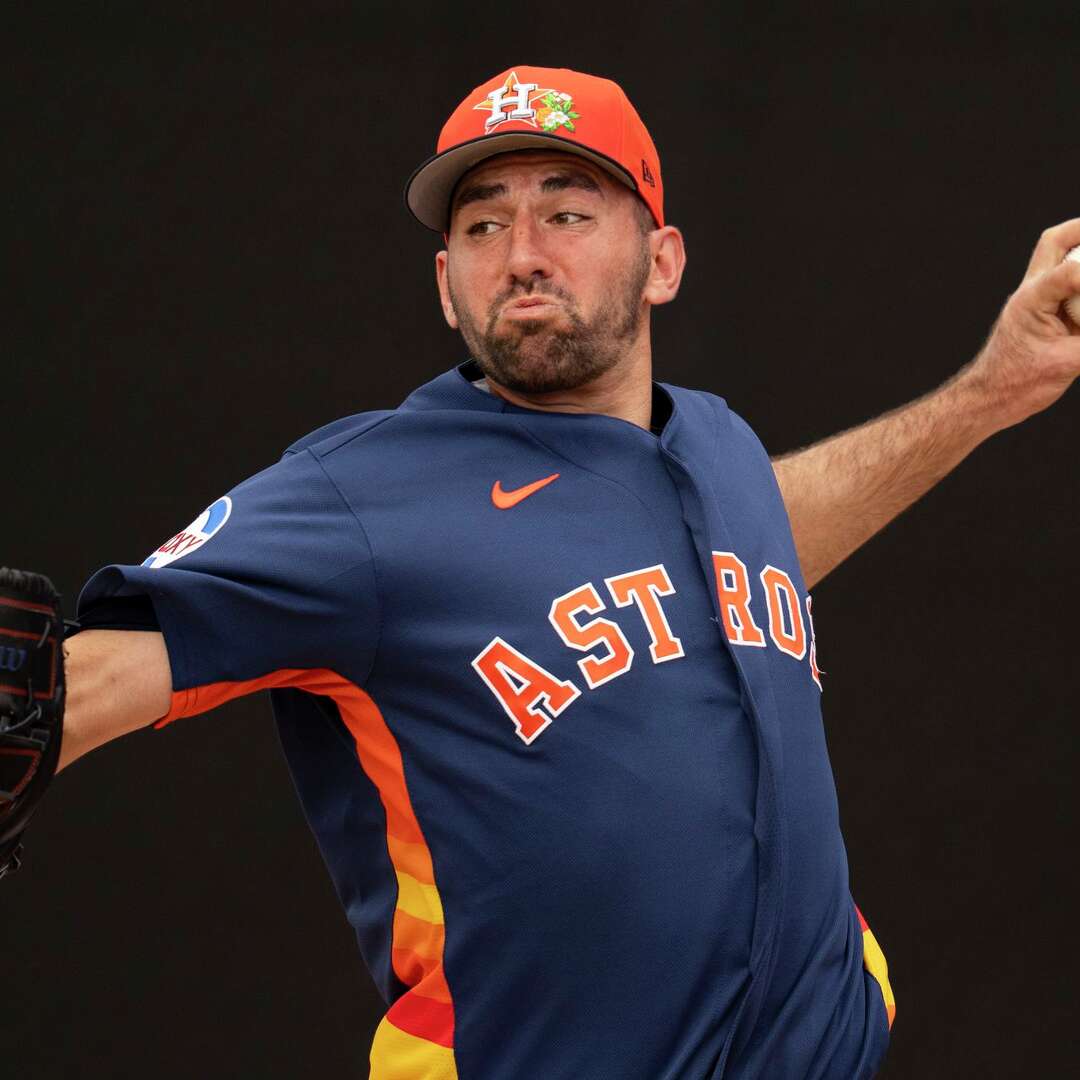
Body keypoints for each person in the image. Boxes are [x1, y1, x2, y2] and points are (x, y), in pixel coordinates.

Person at [15, 65, 1080, 1079]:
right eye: (483, 225)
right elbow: (84, 680)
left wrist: (993, 390)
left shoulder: (717, 452)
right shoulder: (366, 493)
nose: (522, 252)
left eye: (567, 213)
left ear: (662, 260)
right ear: (446, 285)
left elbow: (745, 543)